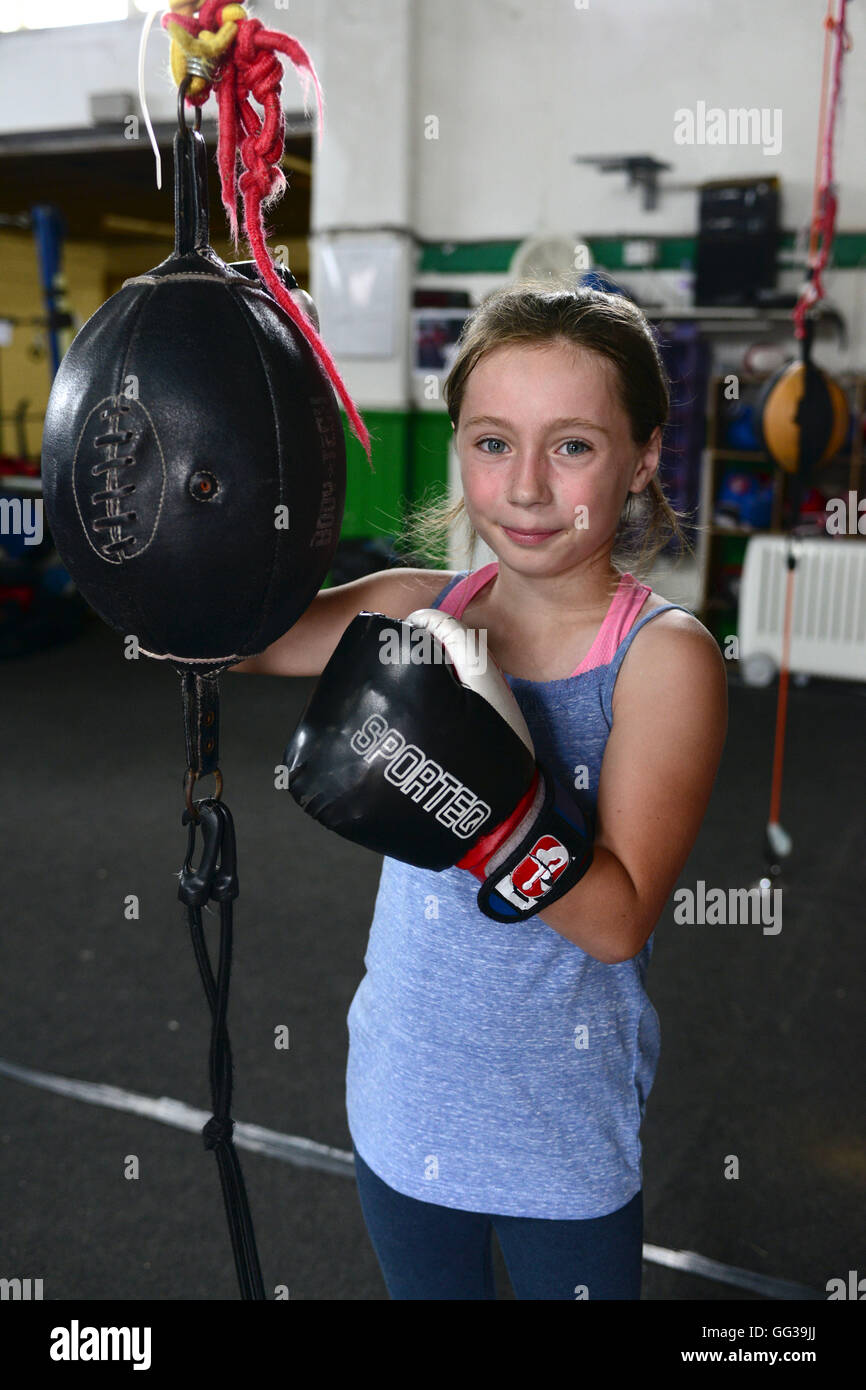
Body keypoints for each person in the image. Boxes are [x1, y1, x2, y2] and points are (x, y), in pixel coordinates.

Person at [231, 282, 728, 1299]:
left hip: (557, 1130)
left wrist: (484, 798)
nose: (528, 487)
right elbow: (235, 636)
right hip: (399, 1097)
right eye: (494, 442)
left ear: (640, 457)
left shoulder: (659, 657)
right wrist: (208, 481)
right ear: (457, 444)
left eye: (573, 446)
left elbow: (616, 921)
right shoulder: (419, 608)